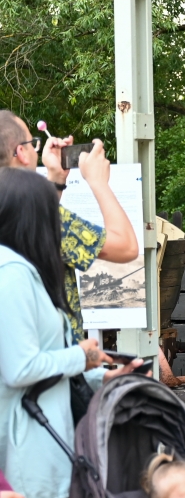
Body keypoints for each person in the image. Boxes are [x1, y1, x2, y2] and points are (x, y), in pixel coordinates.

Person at [0, 168, 140, 498]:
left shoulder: (21, 272)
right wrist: (81, 355)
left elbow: (40, 366)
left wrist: (101, 376)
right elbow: (19, 369)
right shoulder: (12, 275)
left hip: (28, 448)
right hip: (31, 453)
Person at [0, 110, 139, 340]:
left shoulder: (18, 210)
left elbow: (40, 232)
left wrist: (56, 180)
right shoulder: (40, 215)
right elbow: (126, 247)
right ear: (21, 153)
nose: (36, 150)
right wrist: (98, 182)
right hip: (56, 354)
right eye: (33, 143)